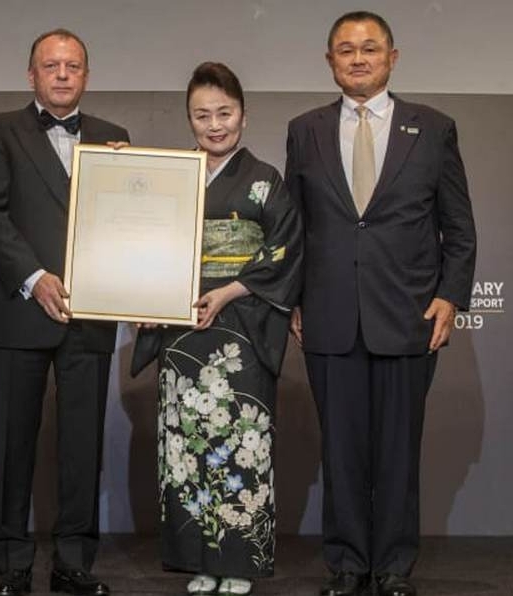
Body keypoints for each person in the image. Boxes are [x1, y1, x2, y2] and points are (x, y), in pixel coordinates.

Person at [285, 11, 476, 596]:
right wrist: (292, 299)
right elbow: (294, 227)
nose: (358, 58)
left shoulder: (434, 128)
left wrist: (450, 295)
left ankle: (393, 566)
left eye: (370, 48)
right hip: (329, 316)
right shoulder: (305, 130)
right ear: (330, 61)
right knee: (341, 452)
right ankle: (346, 565)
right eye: (346, 50)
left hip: (408, 317)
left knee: (397, 452)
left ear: (392, 57)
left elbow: (458, 227)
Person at [0, 29, 129, 596]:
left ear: (86, 75)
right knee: (12, 443)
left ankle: (74, 563)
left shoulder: (114, 138)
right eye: (51, 65)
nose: (62, 74)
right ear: (31, 74)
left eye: (73, 66)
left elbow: (127, 224)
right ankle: (11, 564)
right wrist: (35, 279)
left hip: (92, 313)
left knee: (83, 445)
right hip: (21, 311)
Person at [132, 62, 303, 596]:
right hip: (183, 325)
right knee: (186, 446)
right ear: (189, 119)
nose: (214, 125)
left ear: (243, 116)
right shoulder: (174, 175)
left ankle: (240, 562)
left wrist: (229, 291)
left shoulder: (264, 180)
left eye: (224, 113)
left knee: (238, 439)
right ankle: (197, 560)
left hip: (241, 326)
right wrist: (148, 298)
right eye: (202, 115)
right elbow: (149, 245)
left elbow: (284, 248)